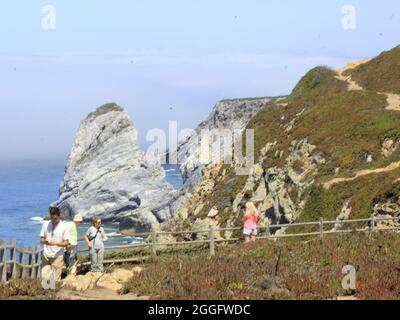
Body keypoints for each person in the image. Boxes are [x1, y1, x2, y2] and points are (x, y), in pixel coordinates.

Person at [39, 207, 69, 281]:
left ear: (59, 216)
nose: (53, 221)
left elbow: (66, 243)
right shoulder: (45, 224)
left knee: (55, 280)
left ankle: (54, 292)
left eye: (55, 218)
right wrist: (45, 242)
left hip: (58, 256)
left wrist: (55, 244)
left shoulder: (64, 226)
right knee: (45, 279)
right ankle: (47, 292)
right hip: (46, 255)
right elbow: (41, 239)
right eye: (52, 218)